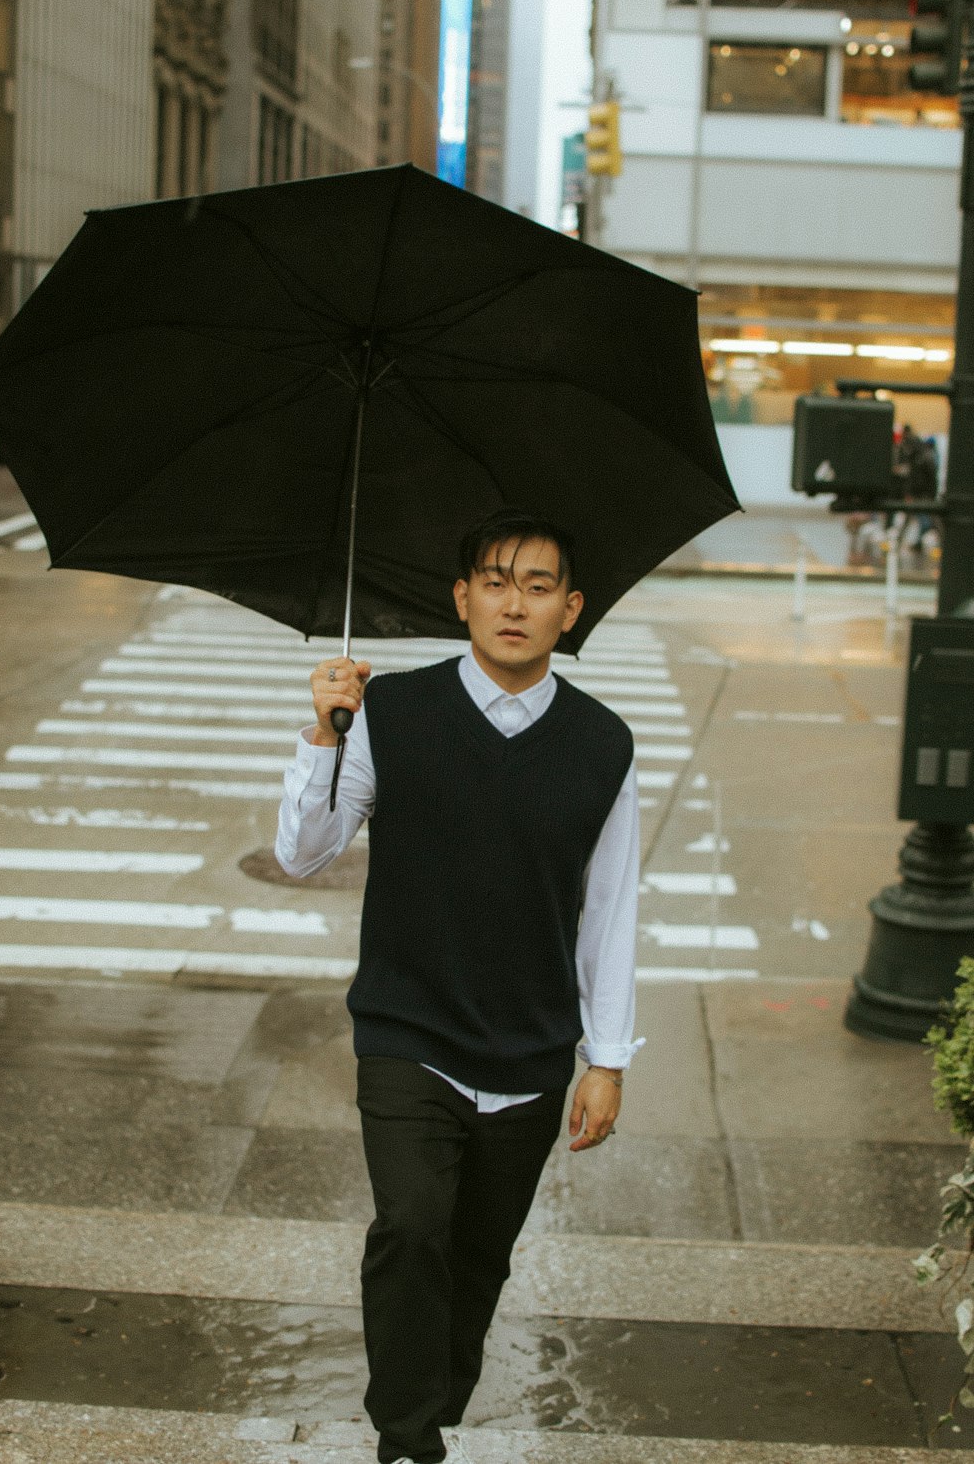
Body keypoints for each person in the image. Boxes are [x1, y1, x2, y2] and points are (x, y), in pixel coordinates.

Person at [275, 509, 642, 1464]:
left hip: (528, 1044)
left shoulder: (603, 745)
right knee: (412, 1225)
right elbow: (304, 852)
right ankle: (407, 1440)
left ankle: (428, 1409)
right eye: (493, 579)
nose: (511, 602)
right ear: (461, 598)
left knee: (477, 1259)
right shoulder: (390, 712)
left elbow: (610, 912)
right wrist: (324, 731)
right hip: (408, 1027)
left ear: (571, 609)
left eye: (536, 585)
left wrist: (607, 1060)